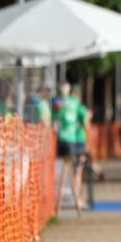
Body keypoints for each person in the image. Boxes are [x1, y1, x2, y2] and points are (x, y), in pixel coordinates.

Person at [52, 82, 84, 216]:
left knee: (71, 170)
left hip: (68, 140)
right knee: (66, 171)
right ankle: (64, 201)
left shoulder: (72, 102)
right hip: (64, 139)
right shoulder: (58, 101)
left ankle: (74, 200)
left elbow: (82, 118)